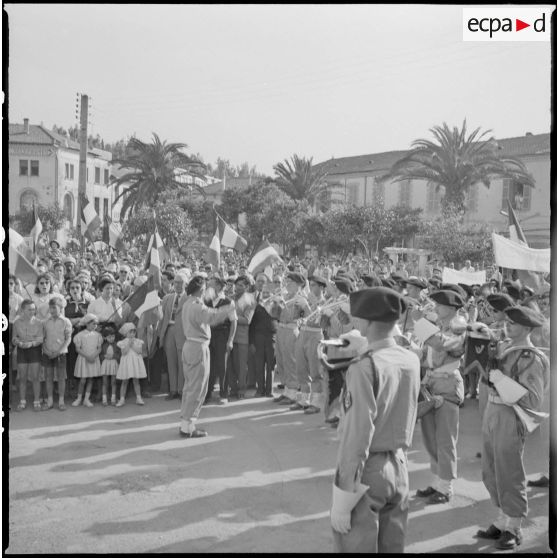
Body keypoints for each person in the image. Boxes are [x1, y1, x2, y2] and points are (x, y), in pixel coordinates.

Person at [329, 287, 420, 553]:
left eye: (357, 317)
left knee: (354, 544)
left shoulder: (364, 366)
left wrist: (344, 494)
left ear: (366, 322)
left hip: (368, 469)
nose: (354, 321)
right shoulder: (410, 358)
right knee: (393, 546)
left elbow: (357, 434)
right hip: (399, 464)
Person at [477, 306, 549, 550]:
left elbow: (533, 400)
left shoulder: (530, 357)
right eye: (506, 321)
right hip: (492, 410)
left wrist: (500, 379)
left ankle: (514, 527)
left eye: (514, 323)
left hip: (510, 415)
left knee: (509, 471)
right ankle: (502, 519)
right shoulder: (503, 347)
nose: (507, 325)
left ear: (527, 328)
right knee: (490, 470)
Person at [416, 289, 466, 504]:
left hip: (447, 383)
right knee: (430, 437)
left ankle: (446, 487)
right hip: (432, 381)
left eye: (439, 305)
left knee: (445, 438)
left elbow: (441, 344)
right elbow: (429, 354)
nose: (435, 307)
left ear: (452, 308)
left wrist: (420, 323)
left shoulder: (458, 326)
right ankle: (437, 481)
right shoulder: (439, 326)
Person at [179, 276, 236, 438]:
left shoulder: (188, 303)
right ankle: (188, 426)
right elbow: (213, 317)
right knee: (197, 388)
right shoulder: (197, 306)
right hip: (198, 347)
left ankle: (185, 423)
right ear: (201, 290)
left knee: (189, 387)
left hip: (190, 345)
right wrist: (231, 307)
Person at [273, 272, 311, 405]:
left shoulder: (301, 299)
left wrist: (304, 309)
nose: (287, 284)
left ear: (298, 285)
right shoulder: (285, 296)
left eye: (290, 282)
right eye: (287, 281)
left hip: (291, 329)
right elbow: (275, 314)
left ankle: (293, 393)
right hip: (281, 329)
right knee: (281, 360)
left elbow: (308, 316)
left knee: (290, 361)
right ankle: (287, 390)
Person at [292, 275, 327, 413]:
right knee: (301, 368)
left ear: (321, 287)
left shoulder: (325, 301)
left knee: (315, 370)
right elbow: (298, 317)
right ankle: (304, 399)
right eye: (310, 285)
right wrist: (299, 307)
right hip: (303, 333)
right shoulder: (307, 299)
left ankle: (316, 402)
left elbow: (318, 321)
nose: (310, 288)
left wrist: (310, 305)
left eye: (313, 285)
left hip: (315, 334)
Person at [156, 272, 189, 401]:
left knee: (182, 362)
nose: (178, 285)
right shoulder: (167, 298)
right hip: (169, 330)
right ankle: (173, 390)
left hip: (183, 332)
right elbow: (162, 318)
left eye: (181, 283)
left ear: (186, 284)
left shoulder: (189, 298)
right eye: (176, 282)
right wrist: (160, 334)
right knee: (171, 361)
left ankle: (181, 390)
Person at [205, 275, 237, 404]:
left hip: (222, 335)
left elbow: (234, 322)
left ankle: (223, 394)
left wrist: (230, 340)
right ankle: (207, 394)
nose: (208, 287)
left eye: (211, 285)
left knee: (222, 365)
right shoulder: (206, 300)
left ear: (218, 286)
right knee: (209, 365)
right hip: (208, 335)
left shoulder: (228, 302)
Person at [12, 300, 44, 412]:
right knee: (22, 378)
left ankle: (37, 401)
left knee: (35, 377)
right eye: (29, 309)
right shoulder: (17, 323)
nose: (32, 311)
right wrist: (19, 343)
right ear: (22, 310)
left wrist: (31, 344)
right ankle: (22, 401)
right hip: (22, 350)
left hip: (34, 350)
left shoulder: (39, 323)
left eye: (33, 309)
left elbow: (40, 338)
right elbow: (14, 338)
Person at [227, 276, 256, 400]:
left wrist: (232, 316)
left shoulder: (250, 301)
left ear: (247, 287)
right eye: (236, 285)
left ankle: (242, 389)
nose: (237, 287)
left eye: (241, 285)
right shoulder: (230, 298)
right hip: (229, 336)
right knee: (230, 365)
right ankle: (233, 388)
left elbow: (247, 320)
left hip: (242, 338)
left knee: (241, 366)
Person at [41, 297, 72, 411]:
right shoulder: (45, 322)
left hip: (60, 354)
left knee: (61, 377)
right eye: (50, 308)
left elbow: (68, 339)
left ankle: (61, 401)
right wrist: (46, 350)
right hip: (47, 353)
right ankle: (49, 401)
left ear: (61, 308)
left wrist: (59, 352)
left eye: (54, 308)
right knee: (48, 376)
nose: (52, 310)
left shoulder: (66, 321)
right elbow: (42, 338)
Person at [249, 274, 277, 398]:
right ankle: (260, 389)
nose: (265, 294)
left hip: (271, 338)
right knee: (259, 366)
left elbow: (279, 321)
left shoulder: (276, 305)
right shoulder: (256, 305)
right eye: (264, 292)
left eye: (267, 292)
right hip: (258, 338)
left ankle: (269, 390)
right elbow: (251, 325)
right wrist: (251, 342)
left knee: (270, 365)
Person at [72, 314, 103, 407]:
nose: (95, 326)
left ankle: (86, 399)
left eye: (96, 324)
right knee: (83, 380)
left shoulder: (98, 335)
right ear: (87, 324)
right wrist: (87, 356)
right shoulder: (80, 335)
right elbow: (78, 349)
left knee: (90, 379)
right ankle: (79, 398)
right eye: (93, 324)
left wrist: (93, 356)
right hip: (84, 359)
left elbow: (99, 348)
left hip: (93, 358)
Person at [116, 323, 147, 406]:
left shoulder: (138, 341)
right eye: (130, 332)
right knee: (124, 381)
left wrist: (132, 344)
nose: (132, 334)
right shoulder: (123, 342)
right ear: (126, 333)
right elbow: (124, 352)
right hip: (127, 363)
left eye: (134, 332)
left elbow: (139, 351)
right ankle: (122, 399)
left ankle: (138, 398)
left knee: (136, 381)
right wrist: (128, 344)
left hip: (135, 363)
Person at [100, 325, 120, 405]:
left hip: (114, 363)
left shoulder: (117, 345)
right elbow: (100, 355)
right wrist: (104, 356)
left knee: (113, 382)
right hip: (105, 364)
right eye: (109, 337)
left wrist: (113, 356)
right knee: (105, 382)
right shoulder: (103, 345)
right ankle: (104, 399)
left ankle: (113, 399)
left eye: (113, 336)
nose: (111, 338)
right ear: (105, 337)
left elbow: (119, 355)